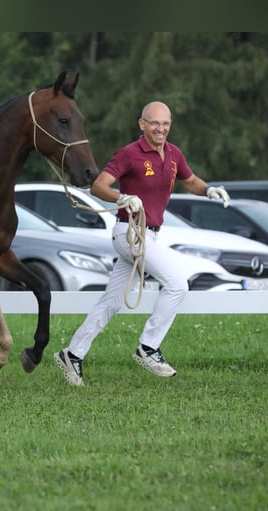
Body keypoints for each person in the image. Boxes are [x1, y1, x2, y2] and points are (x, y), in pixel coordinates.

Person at [55, 101, 230, 386]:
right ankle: (148, 348)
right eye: (154, 123)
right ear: (142, 124)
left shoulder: (173, 154)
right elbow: (99, 186)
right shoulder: (129, 153)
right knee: (177, 284)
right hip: (130, 233)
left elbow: (191, 180)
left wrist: (209, 190)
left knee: (111, 302)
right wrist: (122, 198)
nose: (160, 129)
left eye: (165, 124)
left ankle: (72, 354)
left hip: (152, 234)